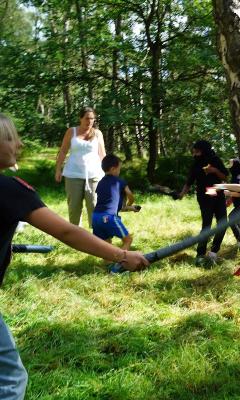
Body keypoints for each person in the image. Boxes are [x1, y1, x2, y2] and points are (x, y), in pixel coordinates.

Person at [0, 113, 148, 400]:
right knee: (9, 379)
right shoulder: (11, 190)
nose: (18, 145)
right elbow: (68, 232)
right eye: (9, 138)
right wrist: (121, 255)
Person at [177, 140, 228, 266]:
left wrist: (214, 171)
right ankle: (200, 254)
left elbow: (225, 176)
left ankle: (214, 252)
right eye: (194, 151)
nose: (195, 153)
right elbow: (189, 181)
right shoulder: (196, 163)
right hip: (204, 195)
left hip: (218, 192)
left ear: (204, 150)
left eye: (198, 151)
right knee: (207, 224)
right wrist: (182, 194)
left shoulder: (215, 160)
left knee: (223, 223)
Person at [55, 107, 106, 227]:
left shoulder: (98, 133)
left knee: (94, 205)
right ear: (80, 118)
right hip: (73, 175)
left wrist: (108, 174)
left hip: (94, 175)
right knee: (74, 207)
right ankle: (76, 237)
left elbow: (102, 154)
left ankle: (97, 237)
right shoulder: (71, 132)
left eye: (92, 119)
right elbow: (62, 152)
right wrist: (58, 169)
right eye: (87, 118)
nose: (90, 121)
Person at [91, 154, 141, 270]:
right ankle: (120, 263)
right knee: (128, 239)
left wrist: (131, 208)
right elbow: (130, 195)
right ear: (113, 169)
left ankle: (108, 266)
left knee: (106, 244)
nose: (119, 172)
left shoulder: (101, 183)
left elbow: (111, 205)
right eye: (119, 169)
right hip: (109, 218)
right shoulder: (119, 181)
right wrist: (130, 203)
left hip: (96, 217)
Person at [225, 158, 240, 249]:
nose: (229, 166)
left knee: (232, 218)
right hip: (239, 205)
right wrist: (228, 202)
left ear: (235, 166)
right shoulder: (235, 177)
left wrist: (228, 193)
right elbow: (234, 194)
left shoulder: (238, 178)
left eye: (230, 164)